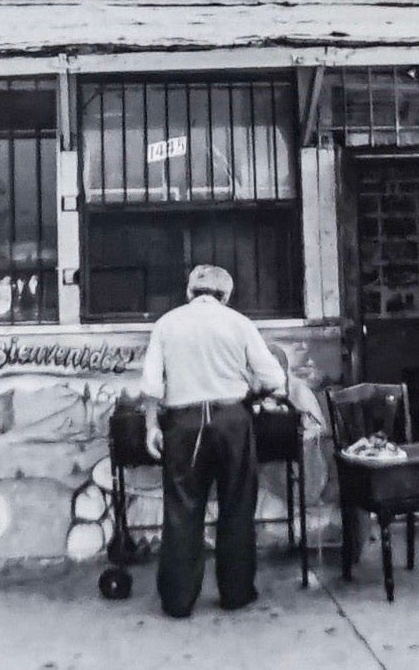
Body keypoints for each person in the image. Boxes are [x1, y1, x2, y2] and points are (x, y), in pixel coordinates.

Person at [141, 264, 287, 618]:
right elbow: (274, 378)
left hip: (183, 424)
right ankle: (236, 593)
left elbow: (151, 385)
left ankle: (178, 601)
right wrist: (250, 391)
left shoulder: (167, 324)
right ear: (226, 295)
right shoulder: (239, 323)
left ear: (189, 292)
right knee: (237, 507)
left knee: (181, 510)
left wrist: (151, 427)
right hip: (232, 421)